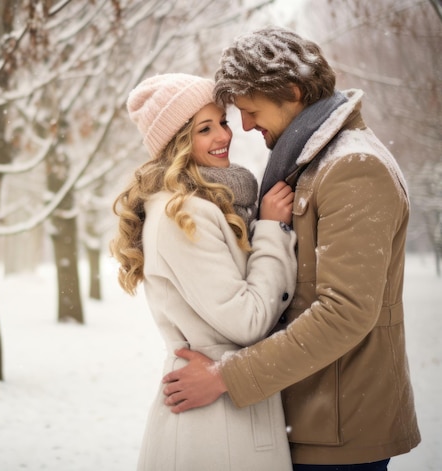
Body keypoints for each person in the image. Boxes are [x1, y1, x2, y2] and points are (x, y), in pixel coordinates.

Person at [161, 27, 421, 471]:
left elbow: (345, 313)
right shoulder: (311, 161)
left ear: (293, 92)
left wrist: (225, 377)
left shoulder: (353, 168)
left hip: (340, 428)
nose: (244, 126)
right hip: (313, 416)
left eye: (250, 111)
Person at [110, 72, 297, 471]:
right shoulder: (184, 214)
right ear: (176, 143)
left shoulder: (213, 203)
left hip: (225, 407)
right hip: (214, 424)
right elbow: (247, 321)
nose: (223, 137)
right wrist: (271, 230)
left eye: (223, 122)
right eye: (204, 129)